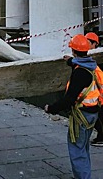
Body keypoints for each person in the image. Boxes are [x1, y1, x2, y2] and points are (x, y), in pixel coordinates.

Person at [45, 34, 100, 178]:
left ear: (74, 51)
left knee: (77, 150)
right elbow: (79, 63)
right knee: (83, 148)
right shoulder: (91, 66)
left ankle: (83, 177)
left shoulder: (80, 73)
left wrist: (51, 109)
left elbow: (68, 99)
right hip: (92, 114)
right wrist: (70, 61)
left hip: (81, 116)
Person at [85, 32, 103, 147]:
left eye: (88, 42)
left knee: (99, 118)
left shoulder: (96, 58)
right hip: (96, 93)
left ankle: (101, 138)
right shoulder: (92, 57)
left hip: (99, 94)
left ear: (94, 44)